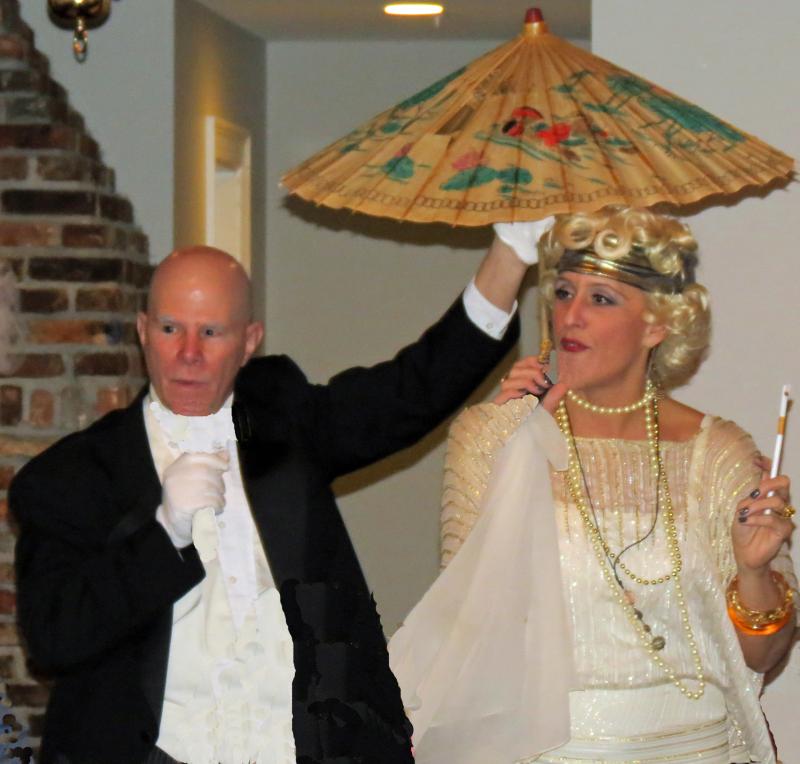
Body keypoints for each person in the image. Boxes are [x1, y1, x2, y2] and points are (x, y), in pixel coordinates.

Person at [10, 232, 538, 764]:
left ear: (249, 341)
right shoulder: (71, 477)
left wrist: (510, 255)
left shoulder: (283, 420)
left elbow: (410, 391)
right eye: (171, 329)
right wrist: (164, 535)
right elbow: (55, 639)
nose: (188, 354)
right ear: (144, 332)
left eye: (211, 332)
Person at [388, 207, 796, 764]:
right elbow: (470, 639)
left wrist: (753, 571)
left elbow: (762, 655)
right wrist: (519, 455)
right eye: (561, 292)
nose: (569, 316)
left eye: (600, 299)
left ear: (658, 323)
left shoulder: (717, 452)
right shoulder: (490, 436)